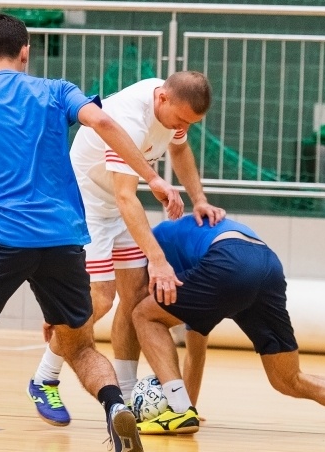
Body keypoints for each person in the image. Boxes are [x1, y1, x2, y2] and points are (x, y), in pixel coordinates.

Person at [0, 13, 183, 452]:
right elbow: (103, 122)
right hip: (62, 241)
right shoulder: (57, 91)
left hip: (0, 240)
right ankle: (116, 407)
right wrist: (153, 176)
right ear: (26, 53)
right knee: (79, 346)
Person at [28, 71, 226, 426]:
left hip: (117, 203)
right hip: (85, 201)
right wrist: (159, 260)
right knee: (102, 298)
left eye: (190, 122)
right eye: (181, 119)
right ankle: (44, 378)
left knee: (134, 298)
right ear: (162, 98)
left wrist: (199, 199)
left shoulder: (175, 111)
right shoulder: (131, 118)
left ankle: (127, 393)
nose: (183, 126)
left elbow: (179, 148)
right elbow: (125, 196)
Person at [129, 215, 325, 439]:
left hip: (229, 259)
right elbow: (196, 350)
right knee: (289, 380)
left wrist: (182, 410)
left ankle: (180, 411)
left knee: (143, 314)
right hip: (266, 263)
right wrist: (190, 406)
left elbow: (144, 303)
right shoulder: (188, 262)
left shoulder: (151, 249)